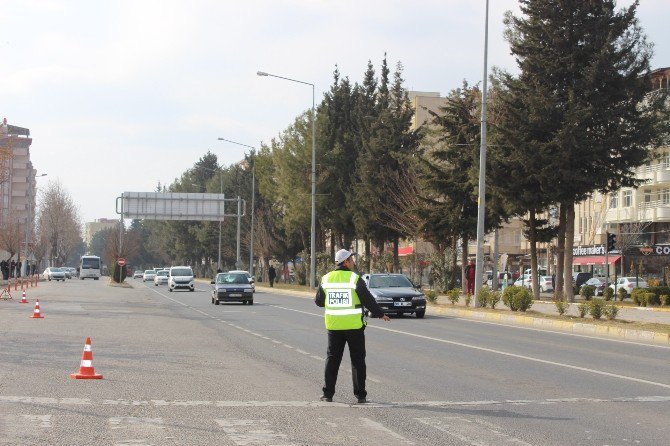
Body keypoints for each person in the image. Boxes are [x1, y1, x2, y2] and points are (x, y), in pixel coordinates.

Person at [314, 249, 390, 404]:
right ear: (346, 262)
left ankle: (328, 394)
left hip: (334, 326)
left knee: (332, 359)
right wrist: (380, 314)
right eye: (351, 259)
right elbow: (367, 299)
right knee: (357, 361)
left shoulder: (326, 278)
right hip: (354, 327)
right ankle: (360, 395)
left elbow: (319, 302)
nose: (353, 262)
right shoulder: (355, 279)